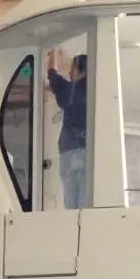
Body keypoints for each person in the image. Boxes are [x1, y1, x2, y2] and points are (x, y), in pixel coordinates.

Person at [46, 51, 88, 209]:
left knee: (70, 202)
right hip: (87, 151)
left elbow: (52, 75)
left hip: (68, 151)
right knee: (85, 202)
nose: (70, 73)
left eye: (72, 69)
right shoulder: (96, 92)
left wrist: (54, 53)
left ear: (79, 70)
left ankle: (73, 229)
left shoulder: (70, 90)